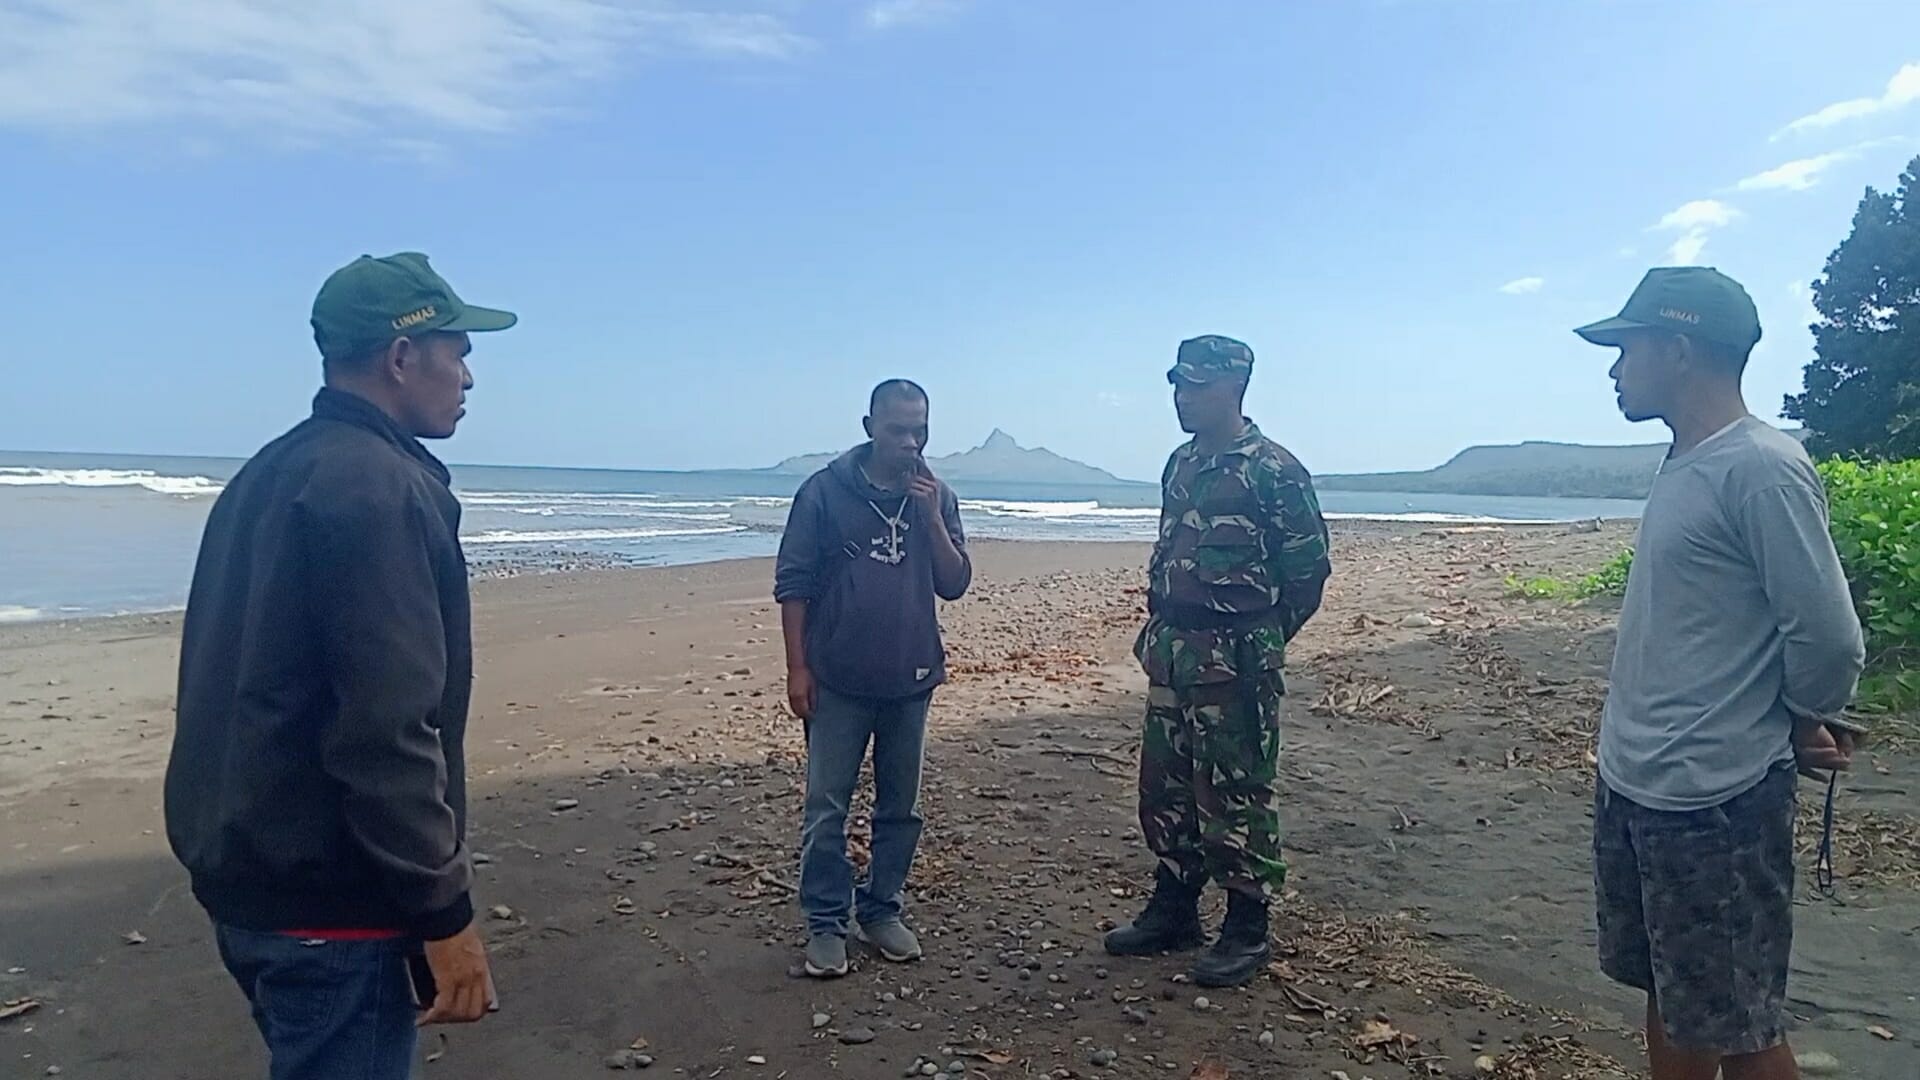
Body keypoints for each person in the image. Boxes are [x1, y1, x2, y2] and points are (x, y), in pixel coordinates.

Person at [165, 252, 517, 1079]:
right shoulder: (376, 488)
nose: (468, 376)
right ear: (403, 357)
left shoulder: (271, 471)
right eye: (458, 352)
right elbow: (386, 730)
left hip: (248, 875)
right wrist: (445, 911)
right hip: (329, 898)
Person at [1575, 267, 1866, 1080]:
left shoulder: (1761, 467)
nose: (1613, 369)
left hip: (1716, 798)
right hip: (1642, 782)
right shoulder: (1686, 462)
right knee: (1675, 992)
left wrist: (1804, 715)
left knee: (1739, 1018)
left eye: (1625, 348)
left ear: (1678, 349)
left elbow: (1830, 635)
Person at [1105, 335, 1331, 989]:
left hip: (1236, 657)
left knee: (1235, 792)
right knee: (1165, 788)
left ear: (1234, 387)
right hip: (1174, 650)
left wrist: (1258, 641)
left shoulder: (1274, 470)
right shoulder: (1180, 464)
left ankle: (1247, 925)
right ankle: (1174, 907)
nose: (1182, 396)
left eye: (1197, 385)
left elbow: (1307, 572)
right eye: (1177, 383)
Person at [773, 379, 972, 979]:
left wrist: (931, 516)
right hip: (836, 679)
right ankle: (826, 922)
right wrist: (797, 668)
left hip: (910, 679)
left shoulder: (938, 495)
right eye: (898, 430)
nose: (912, 443)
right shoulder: (824, 493)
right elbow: (794, 584)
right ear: (869, 427)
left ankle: (882, 909)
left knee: (900, 809)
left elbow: (955, 582)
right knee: (826, 808)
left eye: (922, 430)